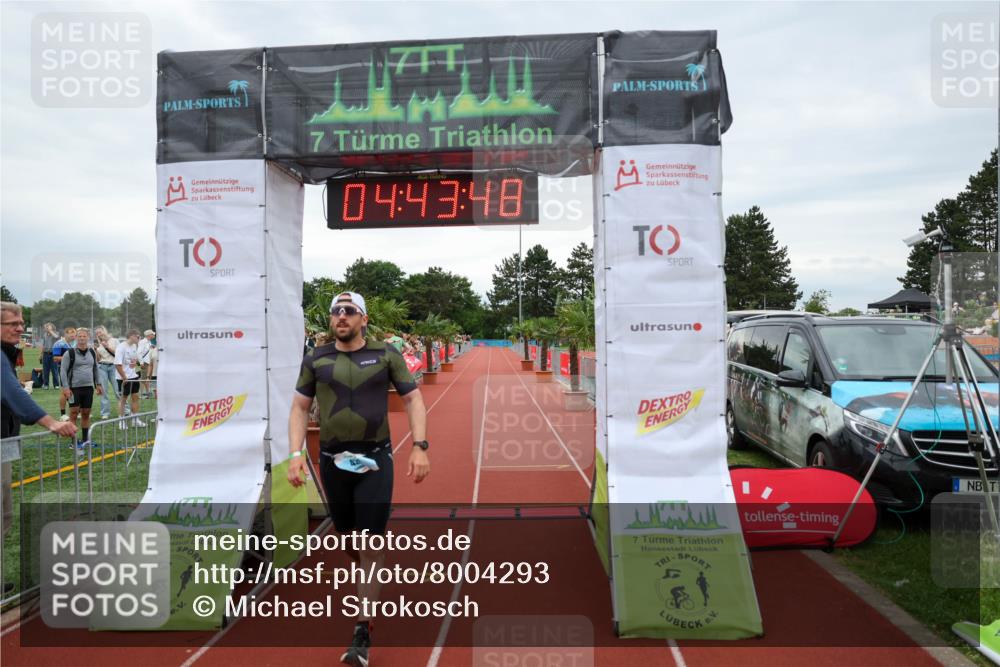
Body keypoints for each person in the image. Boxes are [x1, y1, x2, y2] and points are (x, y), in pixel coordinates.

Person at [287, 291, 429, 667]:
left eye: (349, 311)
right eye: (336, 311)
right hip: (333, 462)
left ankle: (362, 629)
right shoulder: (316, 359)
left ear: (363, 319)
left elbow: (413, 399)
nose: (341, 316)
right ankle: (371, 562)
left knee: (368, 542)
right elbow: (299, 407)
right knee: (348, 538)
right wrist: (295, 455)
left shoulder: (385, 355)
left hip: (374, 459)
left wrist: (420, 446)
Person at [1, 303, 77, 594]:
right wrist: (51, 422)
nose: (20, 328)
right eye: (13, 324)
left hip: (5, 444)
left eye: (21, 322)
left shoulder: (7, 353)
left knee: (4, 516)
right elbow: (11, 392)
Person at [60, 328, 103, 453]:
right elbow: (63, 371)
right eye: (79, 336)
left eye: (84, 336)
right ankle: (73, 442)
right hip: (74, 388)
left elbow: (95, 369)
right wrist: (66, 388)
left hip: (88, 387)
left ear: (88, 338)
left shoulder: (92, 352)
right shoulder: (69, 353)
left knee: (86, 413)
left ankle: (85, 440)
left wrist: (98, 384)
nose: (82, 338)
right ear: (76, 338)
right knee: (73, 413)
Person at [114, 330, 145, 429]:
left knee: (135, 397)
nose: (139, 338)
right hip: (123, 378)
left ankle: (135, 419)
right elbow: (117, 364)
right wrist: (124, 377)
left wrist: (136, 364)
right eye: (138, 336)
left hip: (133, 376)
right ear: (131, 336)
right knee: (123, 399)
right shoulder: (121, 347)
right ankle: (121, 421)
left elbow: (133, 361)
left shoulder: (134, 346)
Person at [92, 327, 119, 419]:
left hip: (113, 366)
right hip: (102, 367)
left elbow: (118, 354)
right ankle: (105, 413)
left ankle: (125, 410)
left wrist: (107, 347)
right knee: (104, 391)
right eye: (97, 333)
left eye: (100, 332)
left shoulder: (114, 340)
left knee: (118, 390)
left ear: (105, 331)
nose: (99, 334)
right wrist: (95, 350)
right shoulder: (97, 343)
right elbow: (98, 359)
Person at [52, 327, 76, 420]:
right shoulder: (59, 344)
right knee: (64, 391)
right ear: (65, 334)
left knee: (75, 390)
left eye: (74, 334)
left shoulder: (73, 343)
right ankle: (63, 414)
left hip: (74, 370)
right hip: (64, 369)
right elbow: (55, 358)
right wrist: (71, 358)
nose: (73, 336)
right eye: (71, 334)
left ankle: (75, 411)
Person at [40, 322, 60, 389]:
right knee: (45, 370)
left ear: (52, 327)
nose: (46, 328)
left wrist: (51, 331)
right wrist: (41, 354)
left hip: (54, 354)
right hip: (46, 354)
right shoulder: (44, 334)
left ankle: (56, 385)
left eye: (48, 326)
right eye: (46, 327)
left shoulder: (56, 333)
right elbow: (43, 345)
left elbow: (56, 337)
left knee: (54, 370)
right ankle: (46, 384)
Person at [138, 329, 155, 398]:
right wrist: (141, 363)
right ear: (149, 335)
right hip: (145, 363)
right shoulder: (143, 342)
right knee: (143, 379)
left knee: (146, 379)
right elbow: (139, 353)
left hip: (148, 362)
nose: (153, 335)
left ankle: (147, 393)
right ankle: (142, 394)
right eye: (152, 334)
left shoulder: (149, 342)